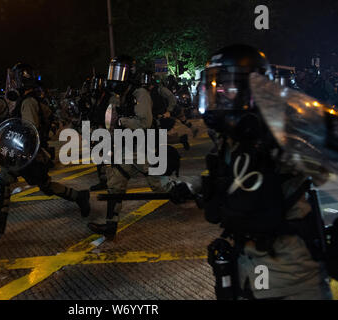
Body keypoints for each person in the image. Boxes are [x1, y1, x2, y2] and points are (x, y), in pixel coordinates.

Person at [170, 44, 333, 300]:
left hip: (292, 278)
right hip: (246, 271)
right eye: (216, 88)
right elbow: (231, 177)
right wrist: (193, 189)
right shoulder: (230, 139)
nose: (221, 96)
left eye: (229, 88)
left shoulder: (283, 132)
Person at [0, 63, 91, 235]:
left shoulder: (28, 102)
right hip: (25, 154)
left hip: (29, 155)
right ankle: (0, 221)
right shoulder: (29, 100)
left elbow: (30, 129)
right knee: (9, 182)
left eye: (16, 79)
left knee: (43, 185)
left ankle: (79, 197)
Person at [87, 56, 174, 240]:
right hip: (126, 148)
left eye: (118, 72)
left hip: (143, 148)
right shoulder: (120, 96)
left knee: (159, 186)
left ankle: (188, 192)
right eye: (113, 72)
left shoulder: (140, 94)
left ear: (129, 74)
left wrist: (122, 121)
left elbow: (144, 122)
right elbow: (113, 122)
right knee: (115, 186)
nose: (114, 78)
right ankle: (110, 226)